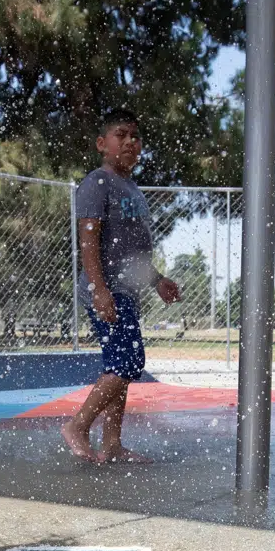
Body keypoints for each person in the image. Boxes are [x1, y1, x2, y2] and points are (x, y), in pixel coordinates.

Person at [60, 109, 181, 464]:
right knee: (130, 362)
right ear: (102, 144)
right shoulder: (98, 182)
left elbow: (132, 251)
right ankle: (78, 426)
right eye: (121, 134)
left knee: (120, 366)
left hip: (126, 290)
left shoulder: (132, 188)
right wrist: (99, 288)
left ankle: (112, 444)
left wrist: (157, 280)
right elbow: (88, 238)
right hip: (107, 290)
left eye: (136, 136)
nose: (131, 141)